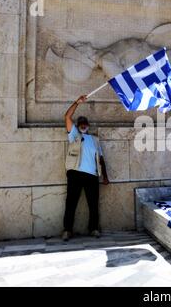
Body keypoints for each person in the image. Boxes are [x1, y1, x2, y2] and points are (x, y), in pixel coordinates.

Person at [62, 95, 109, 241]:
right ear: (77, 125)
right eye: (80, 122)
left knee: (93, 204)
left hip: (92, 176)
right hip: (75, 173)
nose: (83, 124)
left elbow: (101, 159)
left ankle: (93, 228)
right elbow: (67, 116)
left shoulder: (94, 140)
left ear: (88, 125)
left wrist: (105, 176)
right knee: (71, 203)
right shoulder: (74, 135)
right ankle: (67, 230)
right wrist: (77, 102)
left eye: (85, 122)